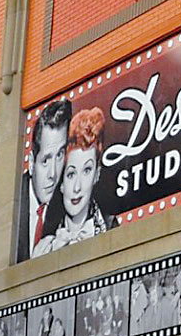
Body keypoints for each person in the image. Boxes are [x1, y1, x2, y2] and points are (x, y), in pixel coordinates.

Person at [43, 106, 118, 253]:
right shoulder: (45, 247)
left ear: (96, 175)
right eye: (71, 174)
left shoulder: (112, 229)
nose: (77, 187)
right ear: (62, 183)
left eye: (86, 171)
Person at [22, 98, 72, 260]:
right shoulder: (13, 203)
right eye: (45, 160)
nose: (53, 173)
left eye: (60, 155)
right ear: (31, 162)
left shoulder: (70, 198)